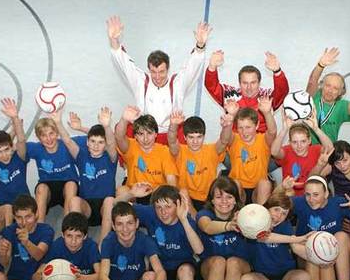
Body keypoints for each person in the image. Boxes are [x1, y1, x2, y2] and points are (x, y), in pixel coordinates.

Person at [106, 15, 211, 144]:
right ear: (148, 69)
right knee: (120, 129)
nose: (157, 77)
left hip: (170, 134)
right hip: (144, 132)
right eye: (153, 72)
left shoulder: (177, 83)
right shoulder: (140, 80)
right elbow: (124, 63)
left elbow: (192, 66)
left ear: (168, 69)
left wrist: (200, 45)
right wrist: (114, 40)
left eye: (161, 72)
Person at [240, 190, 310, 280]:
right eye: (276, 209)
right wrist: (297, 238)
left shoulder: (285, 226)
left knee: (304, 279)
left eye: (284, 213)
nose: (279, 215)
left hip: (285, 274)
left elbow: (295, 248)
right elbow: (264, 237)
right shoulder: (253, 224)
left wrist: (318, 257)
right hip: (263, 276)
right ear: (266, 208)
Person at [59, 107, 117, 245]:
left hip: (105, 209)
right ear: (87, 142)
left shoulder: (111, 158)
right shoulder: (81, 156)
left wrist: (107, 126)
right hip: (87, 208)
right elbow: (67, 141)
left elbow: (111, 142)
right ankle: (76, 242)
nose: (96, 146)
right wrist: (57, 122)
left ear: (105, 145)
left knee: (110, 201)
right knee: (73, 200)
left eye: (100, 142)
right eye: (92, 141)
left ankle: (102, 246)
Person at [205, 49, 289, 132]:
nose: (249, 87)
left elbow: (282, 91)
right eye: (245, 83)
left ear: (259, 83)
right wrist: (212, 67)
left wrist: (277, 71)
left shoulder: (266, 97)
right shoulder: (230, 95)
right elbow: (212, 86)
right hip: (235, 142)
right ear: (239, 83)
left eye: (253, 83)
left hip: (262, 142)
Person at [167, 110, 231, 213]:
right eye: (191, 137)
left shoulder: (211, 150)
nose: (195, 141)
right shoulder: (180, 151)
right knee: (183, 192)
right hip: (187, 200)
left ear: (204, 136)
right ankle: (195, 220)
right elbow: (172, 141)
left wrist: (227, 126)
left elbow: (224, 140)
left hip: (208, 198)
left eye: (199, 137)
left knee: (224, 191)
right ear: (184, 137)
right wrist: (173, 125)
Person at [114, 106, 178, 203]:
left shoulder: (164, 151)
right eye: (141, 134)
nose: (145, 139)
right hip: (135, 193)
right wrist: (124, 119)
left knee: (173, 194)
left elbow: (171, 181)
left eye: (149, 133)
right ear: (135, 136)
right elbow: (119, 136)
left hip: (157, 194)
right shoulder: (131, 147)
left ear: (156, 134)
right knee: (121, 191)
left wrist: (166, 197)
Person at [27, 113, 79, 223]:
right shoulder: (36, 148)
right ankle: (39, 227)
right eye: (44, 135)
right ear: (38, 137)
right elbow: (16, 147)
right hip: (48, 188)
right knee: (41, 188)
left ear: (57, 133)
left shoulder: (67, 144)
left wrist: (80, 128)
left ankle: (67, 227)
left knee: (71, 185)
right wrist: (14, 122)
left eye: (51, 133)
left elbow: (94, 138)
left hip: (67, 186)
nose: (48, 138)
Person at [224, 98, 278, 204]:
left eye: (248, 127)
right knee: (234, 183)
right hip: (238, 190)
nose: (244, 132)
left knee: (265, 184)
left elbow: (272, 132)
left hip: (257, 191)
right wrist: (230, 116)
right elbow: (225, 138)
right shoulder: (234, 139)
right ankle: (235, 216)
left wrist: (267, 113)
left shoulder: (263, 140)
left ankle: (261, 219)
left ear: (257, 125)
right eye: (241, 128)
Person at [271, 109, 333, 196]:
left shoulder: (315, 150)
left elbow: (330, 149)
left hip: (310, 195)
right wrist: (284, 129)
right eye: (295, 142)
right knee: (289, 194)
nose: (299, 146)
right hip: (289, 194)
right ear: (290, 142)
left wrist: (316, 129)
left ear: (309, 141)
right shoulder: (287, 151)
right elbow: (274, 152)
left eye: (303, 141)